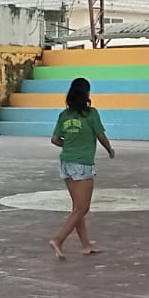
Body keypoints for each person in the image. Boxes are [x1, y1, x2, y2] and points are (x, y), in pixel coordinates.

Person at [47, 76, 114, 258]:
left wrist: (69, 145)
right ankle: (58, 239)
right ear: (86, 94)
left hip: (66, 162)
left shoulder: (64, 115)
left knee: (77, 207)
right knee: (83, 208)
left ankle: (85, 245)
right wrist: (110, 149)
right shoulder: (91, 114)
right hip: (82, 164)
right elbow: (100, 135)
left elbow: (55, 139)